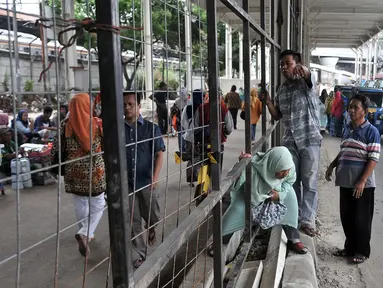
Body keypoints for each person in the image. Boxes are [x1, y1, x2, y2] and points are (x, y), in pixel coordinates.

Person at [260, 50, 322, 237]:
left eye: (288, 63)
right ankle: (293, 216)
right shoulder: (282, 89)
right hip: (290, 142)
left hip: (309, 140)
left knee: (309, 182)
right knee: (291, 181)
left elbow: (310, 78)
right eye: (282, 65)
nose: (284, 67)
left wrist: (306, 72)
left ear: (298, 64)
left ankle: (307, 220)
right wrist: (269, 102)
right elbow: (277, 115)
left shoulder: (306, 84)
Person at [325, 94, 380, 264]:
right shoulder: (347, 128)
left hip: (363, 185)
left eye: (356, 107)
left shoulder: (372, 131)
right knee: (347, 217)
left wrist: (362, 181)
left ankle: (361, 251)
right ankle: (349, 248)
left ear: (364, 111)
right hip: (346, 182)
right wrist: (332, 165)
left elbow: (373, 158)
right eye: (351, 107)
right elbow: (344, 150)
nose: (352, 110)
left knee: (361, 218)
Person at [222, 147, 308, 254]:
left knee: (291, 199)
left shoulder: (289, 167)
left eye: (287, 171)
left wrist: (280, 195)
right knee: (236, 209)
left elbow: (289, 182)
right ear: (273, 165)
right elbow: (234, 183)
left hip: (276, 193)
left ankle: (294, 240)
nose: (285, 174)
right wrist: (241, 165)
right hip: (252, 196)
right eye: (282, 172)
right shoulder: (253, 166)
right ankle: (221, 243)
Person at [52, 93, 106, 257]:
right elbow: (106, 145)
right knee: (98, 203)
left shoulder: (65, 124)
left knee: (80, 202)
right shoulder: (96, 123)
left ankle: (85, 231)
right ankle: (86, 232)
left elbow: (56, 149)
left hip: (73, 172)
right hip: (95, 172)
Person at [123, 91, 165, 268]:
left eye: (131, 104)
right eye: (124, 104)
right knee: (133, 221)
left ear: (139, 107)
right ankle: (141, 254)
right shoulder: (118, 130)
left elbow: (159, 154)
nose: (127, 108)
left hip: (147, 181)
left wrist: (154, 178)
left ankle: (152, 227)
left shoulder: (151, 128)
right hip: (128, 184)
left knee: (153, 214)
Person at [170, 87, 188, 152]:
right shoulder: (188, 100)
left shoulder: (178, 101)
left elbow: (172, 111)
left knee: (182, 135)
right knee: (182, 135)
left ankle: (183, 150)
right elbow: (173, 111)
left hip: (184, 121)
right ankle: (183, 150)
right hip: (182, 121)